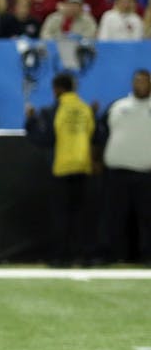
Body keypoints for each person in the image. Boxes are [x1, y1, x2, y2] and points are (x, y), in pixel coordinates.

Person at [24, 72, 97, 266]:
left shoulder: (53, 110)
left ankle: (60, 257)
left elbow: (45, 139)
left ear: (56, 89)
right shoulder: (84, 108)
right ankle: (83, 255)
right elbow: (94, 135)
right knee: (81, 215)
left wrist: (30, 121)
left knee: (60, 215)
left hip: (62, 167)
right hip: (83, 166)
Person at [99, 69, 151, 264]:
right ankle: (112, 255)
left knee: (147, 218)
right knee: (115, 216)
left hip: (146, 173)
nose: (141, 84)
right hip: (117, 172)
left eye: (145, 81)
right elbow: (101, 133)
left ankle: (146, 256)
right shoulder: (118, 106)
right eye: (137, 81)